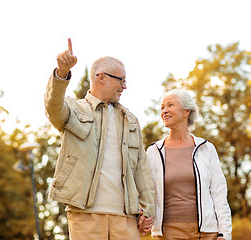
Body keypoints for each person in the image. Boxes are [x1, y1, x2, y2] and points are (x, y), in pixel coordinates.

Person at [44, 38, 155, 240]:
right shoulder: (74, 109)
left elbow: (141, 166)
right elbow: (52, 106)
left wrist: (148, 208)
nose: (125, 86)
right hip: (85, 214)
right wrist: (61, 73)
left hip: (126, 216)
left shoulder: (131, 120)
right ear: (101, 77)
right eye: (121, 80)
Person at [144, 89, 232, 240]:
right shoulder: (154, 152)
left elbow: (219, 193)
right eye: (162, 107)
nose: (164, 111)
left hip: (207, 232)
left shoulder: (206, 148)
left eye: (170, 105)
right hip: (169, 232)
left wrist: (224, 232)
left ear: (186, 112)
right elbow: (146, 192)